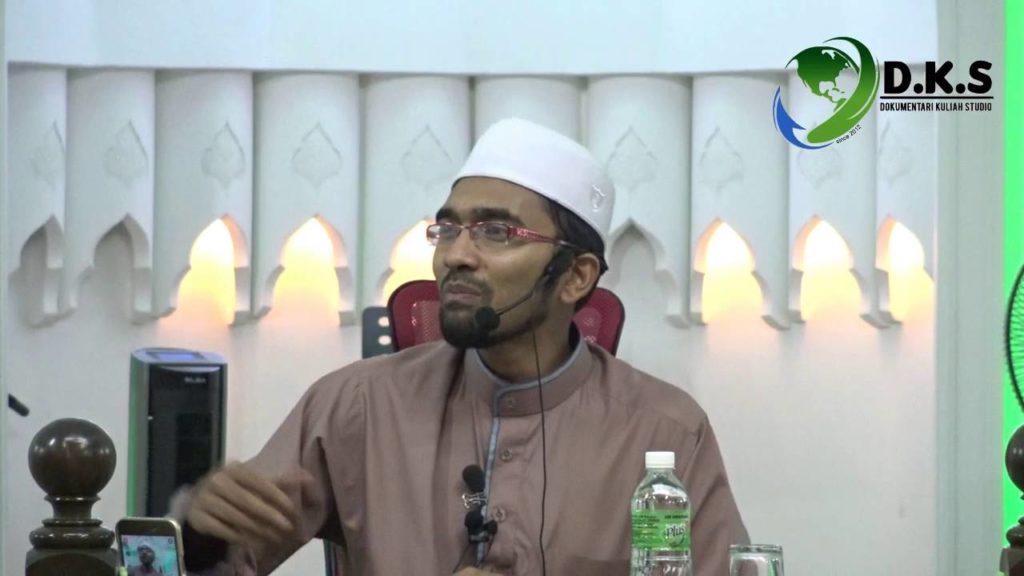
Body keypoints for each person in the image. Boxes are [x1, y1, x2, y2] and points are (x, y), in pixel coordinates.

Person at [181, 118, 748, 575]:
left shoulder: (665, 434)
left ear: (576, 276)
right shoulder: (358, 407)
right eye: (448, 229)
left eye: (496, 232)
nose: (455, 255)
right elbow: (222, 557)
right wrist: (202, 534)